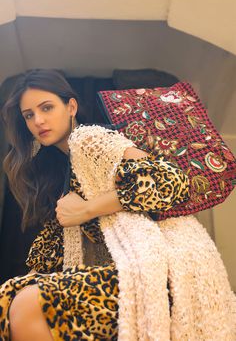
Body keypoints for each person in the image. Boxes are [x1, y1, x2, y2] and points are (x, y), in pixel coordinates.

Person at [0, 69, 235, 341]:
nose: (38, 120)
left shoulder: (91, 139)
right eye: (29, 115)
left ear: (71, 107)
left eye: (47, 107)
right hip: (130, 273)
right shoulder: (61, 169)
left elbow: (168, 179)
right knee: (11, 298)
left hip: (166, 273)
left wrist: (88, 209)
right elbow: (52, 250)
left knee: (29, 304)